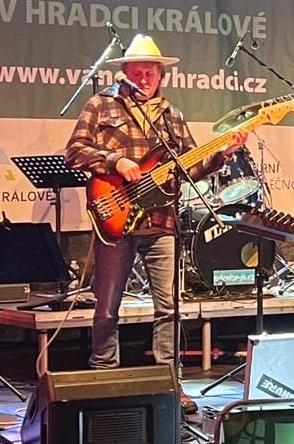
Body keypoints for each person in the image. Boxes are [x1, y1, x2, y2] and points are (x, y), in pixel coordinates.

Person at [65, 35, 243, 404]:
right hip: (115, 217)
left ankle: (168, 384)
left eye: (150, 72)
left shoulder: (171, 115)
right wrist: (115, 161)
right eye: (137, 72)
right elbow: (74, 152)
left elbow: (191, 166)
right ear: (125, 72)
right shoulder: (101, 104)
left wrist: (222, 154)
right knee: (107, 305)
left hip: (161, 220)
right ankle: (104, 378)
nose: (144, 78)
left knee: (169, 307)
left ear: (161, 75)